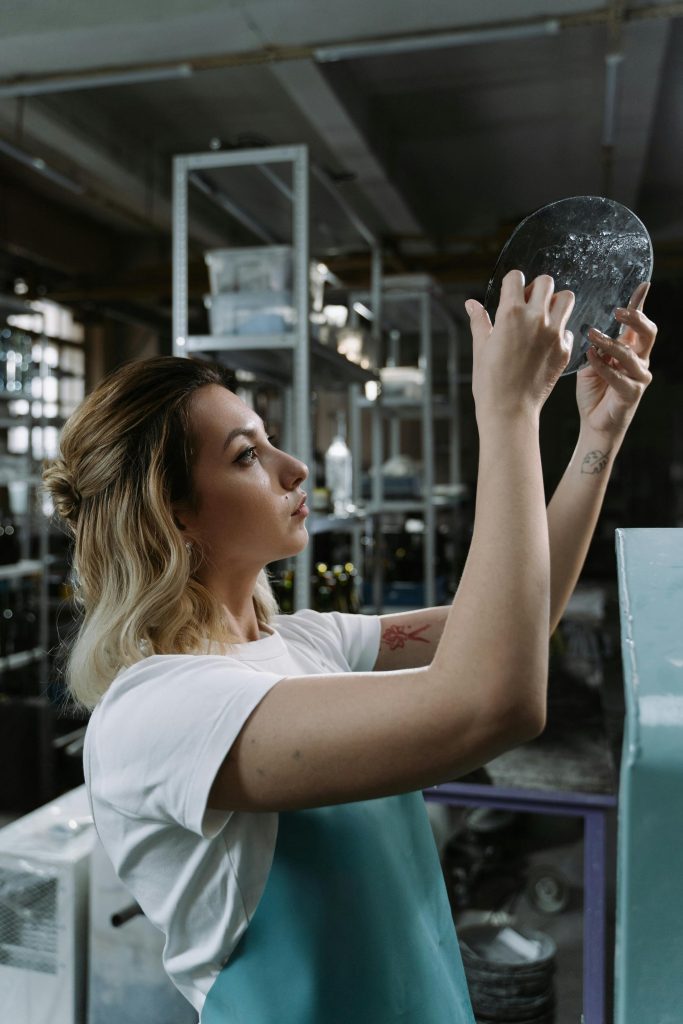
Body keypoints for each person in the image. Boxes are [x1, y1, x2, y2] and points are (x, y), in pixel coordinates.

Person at [42, 270, 656, 1024]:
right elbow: (490, 702)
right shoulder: (156, 712)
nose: (293, 469)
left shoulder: (308, 642)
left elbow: (514, 618)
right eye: (245, 456)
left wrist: (599, 436)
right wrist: (506, 415)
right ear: (174, 518)